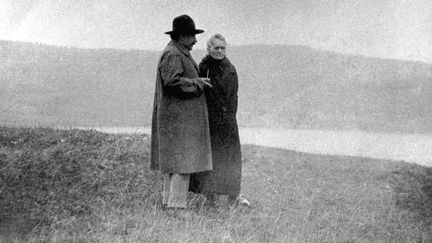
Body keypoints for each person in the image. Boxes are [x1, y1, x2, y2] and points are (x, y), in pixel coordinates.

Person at [150, 15, 213, 209]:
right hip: (178, 122)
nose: (195, 41)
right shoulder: (173, 54)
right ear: (180, 36)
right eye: (191, 36)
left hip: (177, 121)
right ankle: (176, 207)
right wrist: (197, 83)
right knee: (182, 165)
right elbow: (172, 82)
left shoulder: (177, 52)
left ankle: (169, 203)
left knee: (176, 165)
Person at [190, 33, 250, 207]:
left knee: (232, 158)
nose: (219, 51)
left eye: (222, 48)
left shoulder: (230, 69)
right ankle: (210, 197)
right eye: (216, 48)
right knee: (212, 160)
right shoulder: (203, 68)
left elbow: (234, 96)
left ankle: (234, 196)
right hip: (210, 121)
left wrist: (230, 115)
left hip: (228, 121)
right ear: (209, 49)